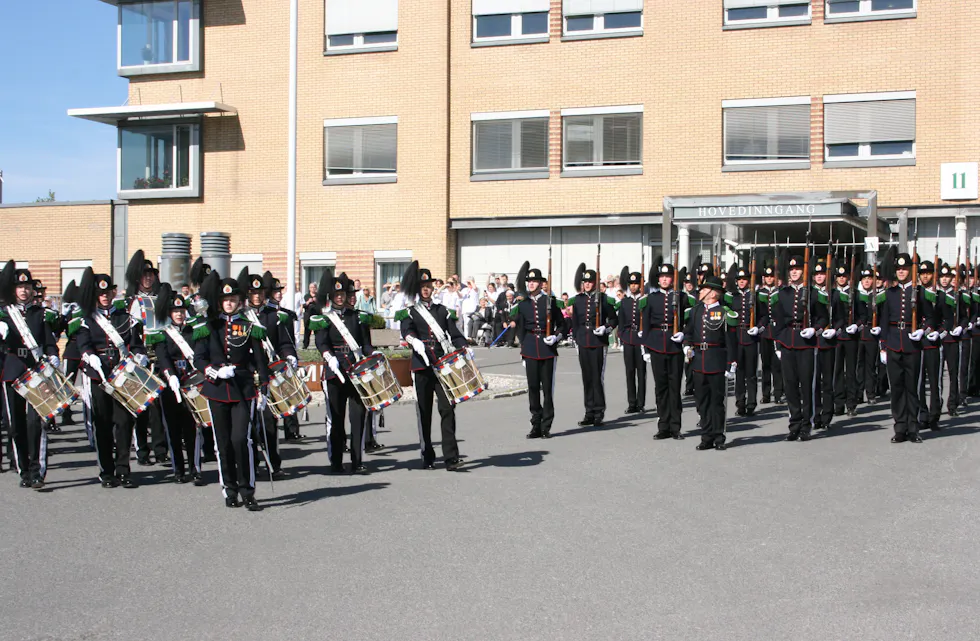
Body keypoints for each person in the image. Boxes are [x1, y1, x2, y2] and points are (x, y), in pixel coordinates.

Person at [194, 272, 269, 510]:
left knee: (241, 440)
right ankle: (229, 489)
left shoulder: (249, 328)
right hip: (217, 389)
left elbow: (260, 361)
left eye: (233, 299)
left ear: (240, 301)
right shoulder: (209, 327)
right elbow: (199, 358)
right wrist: (213, 371)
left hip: (243, 389)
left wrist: (264, 388)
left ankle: (248, 491)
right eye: (226, 299)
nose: (229, 303)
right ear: (220, 302)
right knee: (223, 443)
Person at [75, 268, 149, 489]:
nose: (105, 297)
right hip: (99, 377)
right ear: (95, 295)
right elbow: (83, 343)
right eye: (101, 293)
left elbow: (136, 344)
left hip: (122, 376)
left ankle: (123, 469)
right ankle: (106, 471)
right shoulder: (87, 319)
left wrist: (141, 356)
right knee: (103, 424)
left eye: (108, 293)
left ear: (114, 293)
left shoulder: (125, 318)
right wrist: (89, 356)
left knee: (124, 423)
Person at [397, 263, 468, 469]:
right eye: (422, 285)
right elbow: (406, 332)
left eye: (428, 284)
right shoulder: (409, 312)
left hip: (442, 364)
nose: (426, 288)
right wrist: (414, 341)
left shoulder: (442, 311)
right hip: (422, 365)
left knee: (447, 408)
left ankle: (451, 456)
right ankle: (427, 453)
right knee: (424, 411)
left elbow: (454, 334)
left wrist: (463, 346)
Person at [0, 262, 59, 489]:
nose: (24, 290)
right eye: (19, 286)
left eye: (27, 286)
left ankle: (37, 471)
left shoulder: (39, 314)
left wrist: (53, 357)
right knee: (16, 426)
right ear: (13, 289)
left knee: (37, 423)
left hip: (37, 372)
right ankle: (24, 469)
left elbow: (49, 342)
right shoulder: (4, 314)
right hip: (13, 370)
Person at [311, 271, 373, 475]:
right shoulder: (323, 318)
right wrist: (329, 357)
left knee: (358, 417)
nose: (340, 297)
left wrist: (372, 355)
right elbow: (321, 342)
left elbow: (365, 344)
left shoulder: (358, 317)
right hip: (334, 372)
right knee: (336, 419)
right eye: (336, 295)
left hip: (355, 372)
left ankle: (357, 460)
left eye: (343, 294)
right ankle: (336, 460)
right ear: (330, 296)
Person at [149, 283, 201, 484]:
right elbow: (162, 357)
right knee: (172, 428)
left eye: (181, 310)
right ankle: (178, 469)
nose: (179, 314)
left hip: (191, 383)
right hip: (171, 385)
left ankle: (195, 468)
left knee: (192, 428)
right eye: (175, 311)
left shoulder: (192, 331)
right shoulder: (163, 333)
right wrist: (170, 375)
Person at [772, 254, 827, 441]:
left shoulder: (813, 293)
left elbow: (823, 317)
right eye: (791, 269)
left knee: (807, 386)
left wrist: (815, 329)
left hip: (806, 342)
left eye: (797, 269)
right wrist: (778, 344)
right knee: (790, 386)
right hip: (788, 340)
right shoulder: (781, 293)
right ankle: (794, 424)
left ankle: (806, 424)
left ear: (804, 272)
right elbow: (777, 321)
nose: (794, 272)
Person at [877, 251, 930, 443]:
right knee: (897, 388)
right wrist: (883, 345)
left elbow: (931, 317)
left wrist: (923, 330)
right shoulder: (889, 293)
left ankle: (913, 428)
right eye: (898, 269)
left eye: (904, 269)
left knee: (912, 387)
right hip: (893, 342)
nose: (901, 272)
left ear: (910, 270)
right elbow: (883, 320)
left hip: (912, 343)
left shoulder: (919, 292)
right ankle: (900, 427)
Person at [512, 262, 566, 439]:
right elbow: (519, 326)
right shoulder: (523, 303)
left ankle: (546, 425)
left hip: (547, 347)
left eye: (535, 281)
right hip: (530, 348)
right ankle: (535, 423)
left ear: (542, 283)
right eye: (529, 281)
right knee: (533, 388)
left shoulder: (550, 301)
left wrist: (556, 337)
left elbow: (564, 324)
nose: (531, 284)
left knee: (547, 389)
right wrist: (523, 348)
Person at [125, 250, 169, 467]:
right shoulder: (133, 302)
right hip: (141, 358)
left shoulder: (162, 298)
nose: (148, 277)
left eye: (151, 274)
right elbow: (131, 334)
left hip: (161, 357)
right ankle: (142, 451)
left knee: (160, 407)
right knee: (142, 407)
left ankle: (161, 449)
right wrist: (138, 354)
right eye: (145, 274)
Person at [683, 275, 737, 451]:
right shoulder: (695, 311)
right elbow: (689, 332)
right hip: (699, 361)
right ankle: (706, 437)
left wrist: (731, 364)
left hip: (716, 360)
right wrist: (687, 345)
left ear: (714, 293)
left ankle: (718, 437)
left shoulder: (724, 312)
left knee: (716, 402)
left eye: (705, 289)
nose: (701, 291)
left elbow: (730, 341)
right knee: (702, 402)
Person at [642, 262, 688, 439]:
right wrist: (645, 348)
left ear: (673, 279)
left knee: (674, 387)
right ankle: (663, 426)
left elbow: (688, 321)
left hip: (674, 344)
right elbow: (645, 324)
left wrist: (683, 335)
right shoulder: (651, 298)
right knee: (661, 388)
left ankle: (675, 426)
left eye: (667, 277)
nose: (664, 279)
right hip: (656, 344)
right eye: (661, 277)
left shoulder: (682, 297)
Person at [568, 263, 617, 427]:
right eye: (585, 282)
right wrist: (576, 338)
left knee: (597, 378)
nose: (587, 284)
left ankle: (599, 411)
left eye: (590, 281)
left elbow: (614, 320)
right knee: (587, 378)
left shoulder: (604, 299)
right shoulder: (578, 300)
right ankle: (588, 411)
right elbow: (575, 322)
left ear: (595, 283)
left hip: (598, 341)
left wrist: (606, 328)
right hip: (583, 340)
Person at [266, 273, 305, 440]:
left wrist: (292, 356)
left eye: (280, 291)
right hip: (269, 358)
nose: (279, 294)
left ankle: (292, 430)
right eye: (275, 291)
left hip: (283, 357)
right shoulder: (264, 314)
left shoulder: (286, 314)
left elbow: (288, 339)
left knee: (288, 394)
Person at [726, 265, 767, 417]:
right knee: (739, 372)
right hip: (737, 336)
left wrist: (758, 328)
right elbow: (726, 311)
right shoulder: (732, 296)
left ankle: (751, 404)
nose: (742, 282)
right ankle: (740, 403)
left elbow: (764, 316)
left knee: (751, 373)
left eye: (744, 279)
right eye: (739, 280)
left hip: (751, 337)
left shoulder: (755, 296)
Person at [812, 261, 845, 431]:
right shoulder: (809, 294)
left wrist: (835, 330)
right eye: (817, 274)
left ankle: (827, 415)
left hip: (829, 342)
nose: (819, 276)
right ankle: (815, 414)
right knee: (813, 382)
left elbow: (841, 318)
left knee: (827, 381)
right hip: (812, 343)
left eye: (822, 274)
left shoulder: (835, 294)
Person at [914, 260, 944, 431]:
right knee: (919, 382)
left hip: (933, 343)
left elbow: (947, 320)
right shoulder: (915, 294)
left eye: (928, 273)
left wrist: (939, 332)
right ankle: (922, 415)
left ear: (933, 275)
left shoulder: (940, 296)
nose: (925, 276)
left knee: (934, 382)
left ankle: (934, 416)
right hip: (918, 343)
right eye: (922, 273)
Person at [616, 267, 646, 414]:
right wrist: (622, 338)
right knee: (629, 372)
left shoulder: (645, 300)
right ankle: (631, 403)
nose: (633, 286)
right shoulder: (625, 302)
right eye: (631, 284)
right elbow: (620, 322)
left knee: (641, 372)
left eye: (636, 284)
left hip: (641, 339)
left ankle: (640, 403)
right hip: (628, 338)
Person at [939, 263, 967, 416]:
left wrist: (961, 327)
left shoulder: (958, 295)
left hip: (953, 339)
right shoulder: (935, 295)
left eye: (947, 277)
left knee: (953, 373)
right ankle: (937, 404)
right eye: (942, 277)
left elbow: (964, 317)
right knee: (936, 375)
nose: (944, 280)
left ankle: (952, 404)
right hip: (938, 338)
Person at [833, 264, 861, 417]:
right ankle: (838, 403)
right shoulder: (832, 294)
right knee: (837, 371)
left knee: (851, 371)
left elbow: (863, 315)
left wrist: (856, 326)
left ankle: (851, 403)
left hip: (851, 337)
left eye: (844, 276)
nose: (841, 279)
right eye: (839, 276)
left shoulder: (855, 294)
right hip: (836, 337)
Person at [855, 267, 883, 406]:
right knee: (859, 366)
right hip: (859, 334)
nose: (867, 281)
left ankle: (871, 393)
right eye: (864, 279)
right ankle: (859, 393)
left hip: (872, 335)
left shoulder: (878, 296)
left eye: (869, 279)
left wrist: (879, 328)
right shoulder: (857, 295)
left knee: (871, 366)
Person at [757, 266, 783, 404]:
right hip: (765, 332)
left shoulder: (780, 292)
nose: (769, 279)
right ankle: (766, 394)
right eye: (767, 277)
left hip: (777, 331)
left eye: (771, 276)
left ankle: (778, 393)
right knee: (766, 364)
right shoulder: (760, 292)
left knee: (777, 365)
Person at [302, 282, 320, 349]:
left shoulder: (319, 296)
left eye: (314, 287)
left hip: (317, 315)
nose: (313, 289)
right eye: (311, 287)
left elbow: (322, 305)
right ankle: (305, 345)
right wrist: (308, 302)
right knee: (307, 331)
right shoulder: (306, 296)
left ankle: (318, 345)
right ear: (309, 288)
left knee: (318, 331)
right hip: (308, 316)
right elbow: (303, 305)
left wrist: (316, 301)